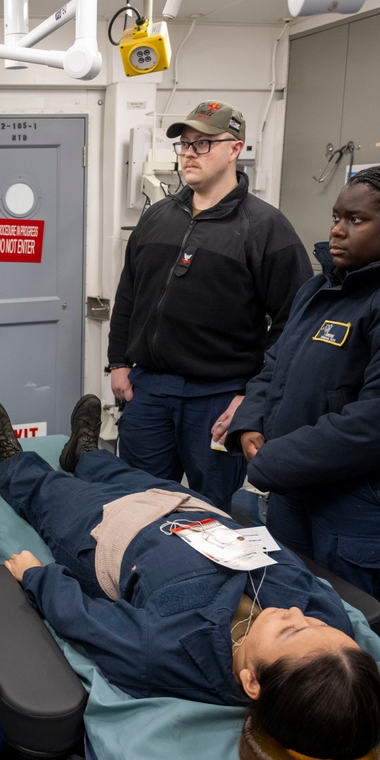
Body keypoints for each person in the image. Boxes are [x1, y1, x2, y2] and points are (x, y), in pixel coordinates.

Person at [0, 396, 380, 760]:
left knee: (47, 492)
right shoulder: (331, 639)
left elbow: (83, 619)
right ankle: (85, 453)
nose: (299, 613)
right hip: (193, 511)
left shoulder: (168, 653)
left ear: (251, 682)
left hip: (109, 532)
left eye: (291, 632)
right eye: (317, 625)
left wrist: (35, 575)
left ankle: (14, 461)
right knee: (120, 471)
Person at [228, 165, 380, 660]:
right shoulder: (324, 290)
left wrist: (272, 462)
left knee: (359, 649)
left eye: (355, 220)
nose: (337, 230)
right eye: (336, 216)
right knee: (296, 631)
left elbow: (377, 425)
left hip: (363, 519)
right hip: (296, 498)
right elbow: (276, 363)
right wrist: (251, 420)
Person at [107, 100, 312, 511]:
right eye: (184, 145)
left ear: (235, 149)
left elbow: (296, 321)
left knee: (212, 513)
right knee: (135, 504)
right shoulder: (157, 217)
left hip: (219, 398)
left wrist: (252, 397)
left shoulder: (266, 228)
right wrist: (118, 362)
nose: (188, 154)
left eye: (202, 145)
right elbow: (130, 292)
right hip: (149, 391)